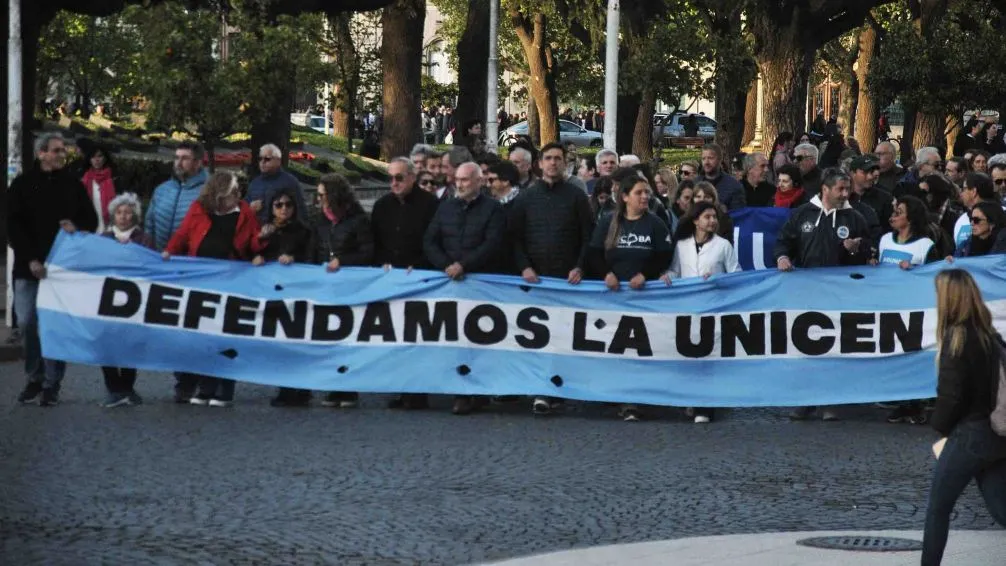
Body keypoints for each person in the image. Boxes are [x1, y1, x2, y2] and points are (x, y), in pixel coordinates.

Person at [921, 269, 1006, 565]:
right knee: (1002, 510)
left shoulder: (955, 338)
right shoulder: (990, 337)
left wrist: (939, 427)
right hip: (997, 434)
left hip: (968, 436)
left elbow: (951, 397)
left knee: (938, 509)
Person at [9, 134, 100, 407]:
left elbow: (90, 219)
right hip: (29, 268)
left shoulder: (72, 184)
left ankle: (52, 382)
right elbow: (13, 226)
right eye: (57, 150)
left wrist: (77, 226)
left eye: (63, 150)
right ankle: (34, 376)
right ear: (42, 154)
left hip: (61, 271)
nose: (63, 154)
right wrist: (30, 260)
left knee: (55, 327)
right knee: (27, 322)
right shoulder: (22, 185)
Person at [774, 168, 871, 422]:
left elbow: (867, 257)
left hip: (840, 295)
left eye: (847, 189)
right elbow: (784, 241)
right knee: (806, 346)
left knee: (834, 346)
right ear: (824, 189)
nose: (845, 193)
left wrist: (853, 251)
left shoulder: (855, 218)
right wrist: (782, 257)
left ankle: (830, 400)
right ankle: (804, 400)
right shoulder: (802, 214)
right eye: (840, 189)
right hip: (807, 293)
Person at [163, 172, 263, 408]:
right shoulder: (199, 209)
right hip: (201, 283)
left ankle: (224, 388)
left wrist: (259, 251)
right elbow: (183, 234)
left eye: (238, 193)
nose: (237, 197)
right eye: (232, 193)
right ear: (219, 196)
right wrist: (169, 252)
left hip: (231, 282)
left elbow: (253, 241)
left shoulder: (244, 212)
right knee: (203, 336)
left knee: (225, 335)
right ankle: (206, 387)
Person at [510, 142, 595, 416]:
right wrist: (523, 267)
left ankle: (560, 388)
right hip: (535, 281)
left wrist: (580, 267)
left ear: (565, 163)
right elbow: (514, 239)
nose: (553, 163)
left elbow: (588, 236)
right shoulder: (525, 198)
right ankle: (540, 389)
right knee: (536, 339)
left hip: (566, 281)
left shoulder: (576, 196)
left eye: (558, 158)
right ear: (539, 163)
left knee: (563, 337)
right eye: (548, 158)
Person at [587, 176, 672, 422]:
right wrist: (606, 274)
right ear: (625, 197)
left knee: (640, 350)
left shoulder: (655, 223)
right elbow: (593, 253)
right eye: (639, 193)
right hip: (614, 299)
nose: (645, 197)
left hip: (645, 298)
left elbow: (665, 255)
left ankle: (636, 398)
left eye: (647, 192)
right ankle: (617, 393)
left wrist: (646, 275)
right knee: (615, 348)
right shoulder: (607, 222)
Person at [423, 163, 505, 415]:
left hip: (480, 283)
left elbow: (493, 243)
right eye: (457, 180)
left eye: (465, 180)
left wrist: (464, 265)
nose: (459, 184)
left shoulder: (493, 209)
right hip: (450, 283)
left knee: (479, 340)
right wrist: (446, 265)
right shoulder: (446, 207)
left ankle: (477, 391)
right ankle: (459, 390)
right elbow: (430, 240)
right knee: (454, 340)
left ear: (479, 182)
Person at [662, 201, 741, 424]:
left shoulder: (723, 245)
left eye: (714, 217)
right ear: (696, 220)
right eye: (707, 217)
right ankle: (691, 398)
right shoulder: (682, 245)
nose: (712, 221)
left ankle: (705, 407)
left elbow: (736, 274)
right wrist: (667, 276)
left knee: (707, 356)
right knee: (689, 356)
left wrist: (719, 279)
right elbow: (676, 270)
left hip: (712, 307)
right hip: (687, 307)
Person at [375, 158, 440, 411]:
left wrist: (421, 263)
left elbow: (435, 241)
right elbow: (376, 243)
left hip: (421, 279)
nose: (394, 183)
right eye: (390, 178)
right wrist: (382, 264)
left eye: (399, 178)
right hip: (391, 281)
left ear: (412, 177)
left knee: (418, 338)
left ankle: (418, 391)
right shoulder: (382, 206)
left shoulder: (430, 205)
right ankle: (400, 387)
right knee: (395, 338)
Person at [250, 187, 315, 407]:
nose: (284, 209)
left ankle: (302, 389)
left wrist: (294, 258)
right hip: (273, 295)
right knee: (280, 344)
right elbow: (249, 250)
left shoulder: (303, 230)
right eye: (279, 205)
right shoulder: (265, 230)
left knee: (298, 341)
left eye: (288, 205)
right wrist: (257, 252)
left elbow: (311, 257)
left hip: (296, 294)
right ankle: (285, 388)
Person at [314, 174, 375, 409]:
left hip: (350, 288)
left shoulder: (357, 221)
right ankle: (334, 385)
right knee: (329, 339)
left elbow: (367, 252)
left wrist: (343, 261)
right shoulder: (320, 221)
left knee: (347, 338)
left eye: (322, 195)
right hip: (326, 287)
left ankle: (348, 387)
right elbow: (314, 249)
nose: (319, 200)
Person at [100, 193, 154, 407]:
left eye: (128, 212)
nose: (123, 216)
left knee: (131, 343)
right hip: (106, 299)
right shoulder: (103, 239)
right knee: (106, 343)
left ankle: (127, 387)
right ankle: (114, 388)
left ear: (135, 216)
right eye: (119, 212)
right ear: (113, 215)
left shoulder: (144, 239)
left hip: (134, 299)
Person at [146, 141, 209, 251]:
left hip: (188, 263)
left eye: (185, 158)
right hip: (158, 259)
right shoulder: (162, 190)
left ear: (197, 163)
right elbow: (149, 225)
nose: (178, 163)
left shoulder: (208, 193)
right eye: (176, 157)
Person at [246, 144, 308, 225]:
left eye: (267, 159)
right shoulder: (254, 183)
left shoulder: (290, 182)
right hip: (258, 232)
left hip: (283, 232)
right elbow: (244, 208)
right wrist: (250, 208)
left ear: (278, 160)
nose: (262, 162)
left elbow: (301, 211)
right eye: (260, 159)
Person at [952, 172, 998, 249]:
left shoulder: (1002, 214)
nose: (961, 193)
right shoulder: (962, 220)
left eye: (964, 189)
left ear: (974, 191)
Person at [697, 143, 746, 210]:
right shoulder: (695, 183)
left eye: (710, 158)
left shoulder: (734, 186)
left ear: (720, 159)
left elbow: (738, 215)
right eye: (703, 159)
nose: (706, 162)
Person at [81, 146, 117, 233]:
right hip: (90, 228)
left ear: (105, 158)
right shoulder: (85, 180)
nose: (96, 159)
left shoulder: (114, 179)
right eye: (93, 157)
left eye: (99, 156)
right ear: (89, 159)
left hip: (110, 228)